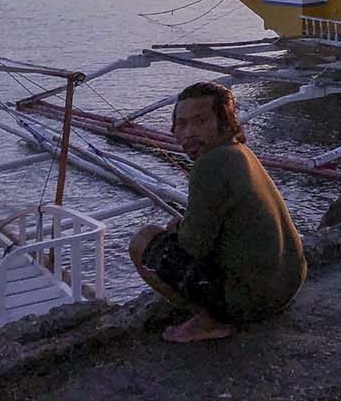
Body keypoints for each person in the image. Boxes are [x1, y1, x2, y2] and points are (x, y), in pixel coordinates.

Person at [129, 83, 306, 342]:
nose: (188, 133)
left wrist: (178, 230)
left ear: (224, 122)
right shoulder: (239, 152)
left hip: (257, 302)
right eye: (181, 124)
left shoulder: (209, 164)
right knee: (174, 227)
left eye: (200, 121)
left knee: (143, 241)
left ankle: (213, 320)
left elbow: (194, 246)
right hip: (287, 286)